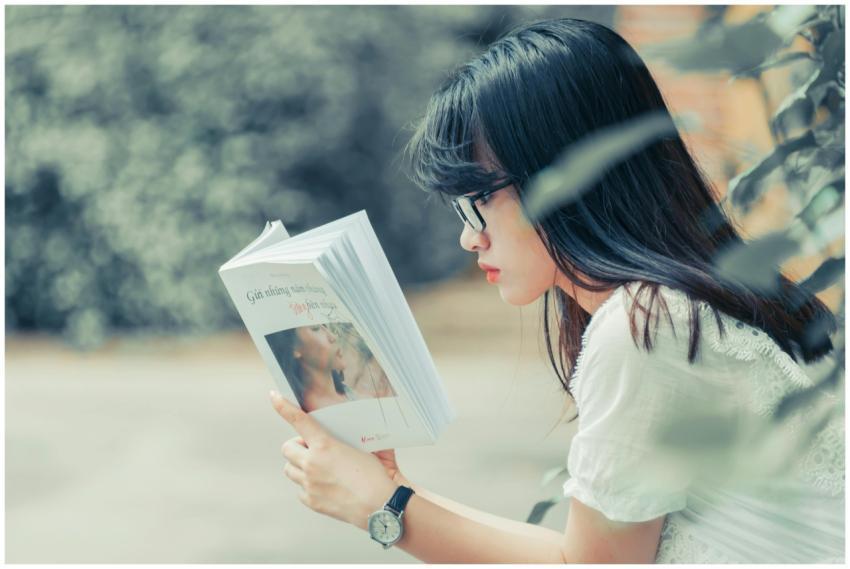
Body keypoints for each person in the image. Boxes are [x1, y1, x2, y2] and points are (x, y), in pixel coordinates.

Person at [267, 18, 844, 563]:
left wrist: (383, 510)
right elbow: (588, 549)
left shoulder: (645, 328)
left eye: (480, 199)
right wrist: (394, 493)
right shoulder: (690, 302)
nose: (470, 238)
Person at [266, 324, 358, 412]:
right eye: (315, 328)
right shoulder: (303, 410)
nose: (333, 337)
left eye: (325, 326)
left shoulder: (355, 396)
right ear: (294, 347)